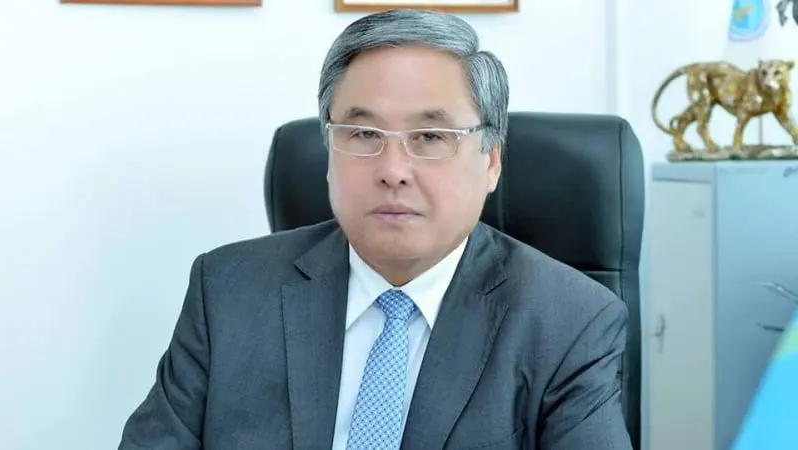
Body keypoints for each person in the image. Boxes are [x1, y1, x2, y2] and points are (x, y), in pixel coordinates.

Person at [118, 8, 633, 450]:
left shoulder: (569, 321)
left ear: (491, 162)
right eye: (363, 133)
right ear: (328, 151)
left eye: (431, 136)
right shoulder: (228, 290)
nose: (393, 169)